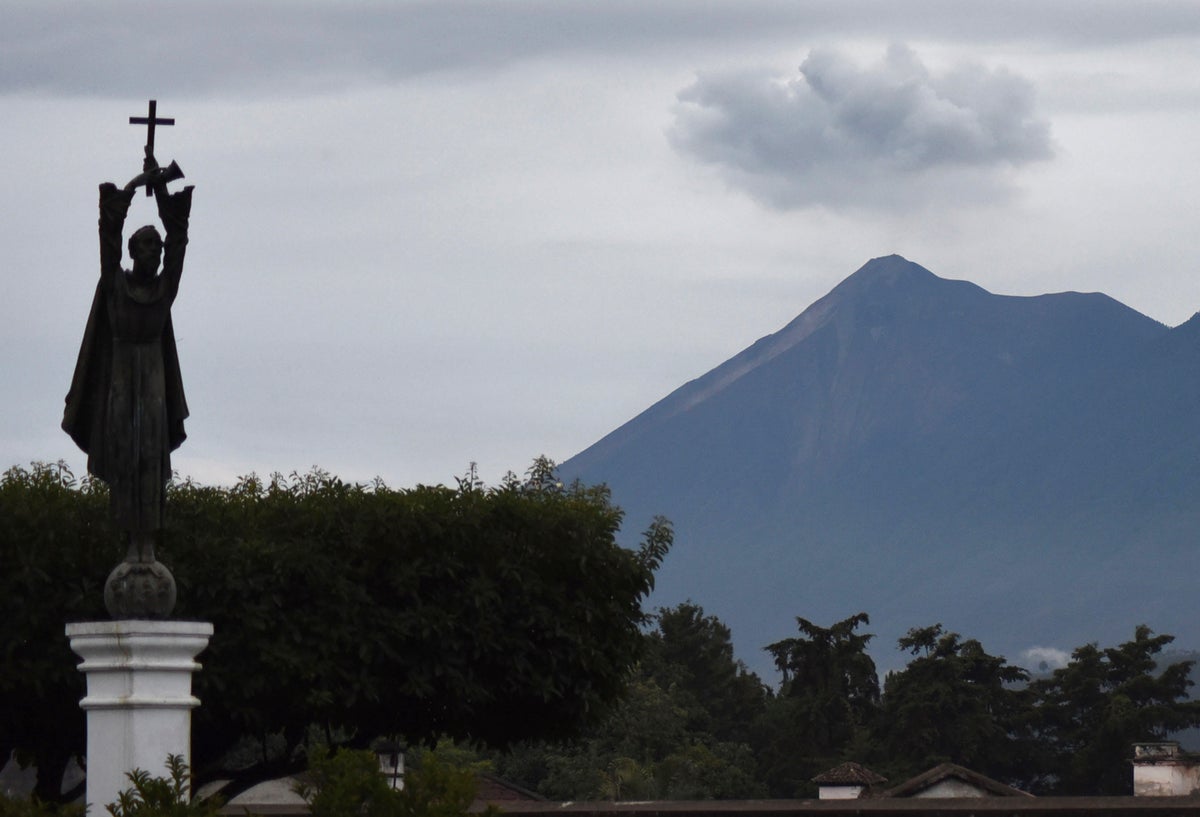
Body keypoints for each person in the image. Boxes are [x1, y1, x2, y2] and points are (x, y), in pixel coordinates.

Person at [63, 149, 194, 569]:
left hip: (153, 385)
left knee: (151, 460)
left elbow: (179, 242)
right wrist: (139, 185)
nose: (154, 253)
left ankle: (147, 547)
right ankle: (129, 546)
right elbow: (107, 236)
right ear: (133, 251)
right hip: (120, 383)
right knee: (124, 456)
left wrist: (161, 188)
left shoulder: (163, 291)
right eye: (146, 246)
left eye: (156, 248)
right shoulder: (115, 286)